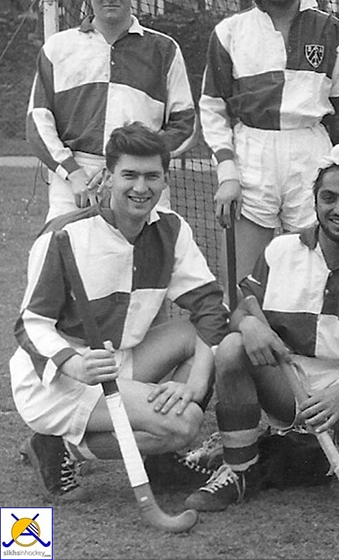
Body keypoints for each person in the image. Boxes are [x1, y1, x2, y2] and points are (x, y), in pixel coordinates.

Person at [12, 123, 229, 502]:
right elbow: (31, 325)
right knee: (185, 425)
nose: (140, 188)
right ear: (108, 177)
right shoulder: (63, 235)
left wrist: (195, 382)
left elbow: (211, 309)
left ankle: (154, 450)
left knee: (193, 336)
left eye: (151, 177)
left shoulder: (171, 230)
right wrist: (73, 365)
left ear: (165, 181)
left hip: (118, 360)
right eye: (129, 175)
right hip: (61, 378)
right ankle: (60, 448)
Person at [185, 145, 339, 511]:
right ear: (315, 201)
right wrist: (250, 324)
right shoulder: (280, 250)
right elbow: (242, 310)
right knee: (232, 347)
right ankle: (239, 469)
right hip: (284, 383)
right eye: (329, 198)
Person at [199, 0, 339, 282]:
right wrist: (227, 172)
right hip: (253, 150)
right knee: (242, 281)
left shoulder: (334, 31)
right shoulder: (230, 32)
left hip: (310, 151)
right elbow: (213, 108)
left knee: (317, 274)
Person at [26, 0, 196, 222]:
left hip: (141, 182)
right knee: (63, 262)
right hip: (75, 186)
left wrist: (134, 164)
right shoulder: (58, 48)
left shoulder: (164, 49)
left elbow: (185, 124)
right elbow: (38, 122)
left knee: (145, 265)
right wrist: (73, 172)